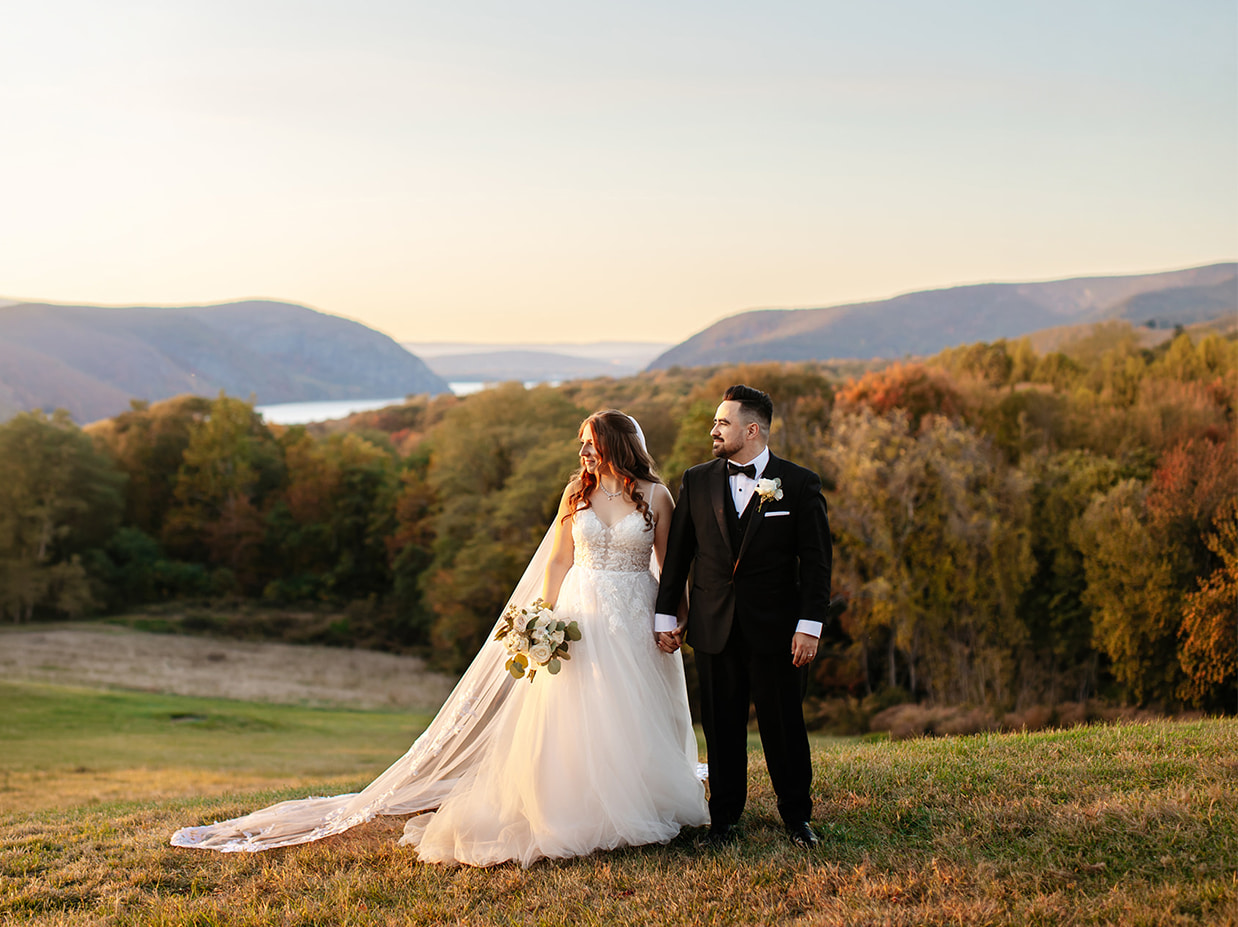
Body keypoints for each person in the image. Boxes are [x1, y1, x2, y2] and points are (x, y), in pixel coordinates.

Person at [172, 410, 707, 866]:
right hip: (580, 614)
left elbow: (670, 565)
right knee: (577, 712)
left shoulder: (656, 495)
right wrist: (542, 617)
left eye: (592, 445)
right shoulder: (577, 492)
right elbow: (561, 559)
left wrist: (676, 621)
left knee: (628, 709)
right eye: (582, 446)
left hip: (634, 613)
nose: (585, 453)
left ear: (616, 445)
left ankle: (640, 798)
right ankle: (578, 805)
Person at [654, 385, 832, 848]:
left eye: (723, 422)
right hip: (713, 628)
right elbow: (677, 558)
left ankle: (797, 818)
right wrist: (664, 617)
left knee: (784, 727)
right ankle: (724, 821)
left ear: (751, 430)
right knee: (721, 729)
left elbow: (816, 564)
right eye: (715, 422)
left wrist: (809, 626)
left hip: (777, 632)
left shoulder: (799, 483)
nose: (714, 429)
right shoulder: (696, 480)